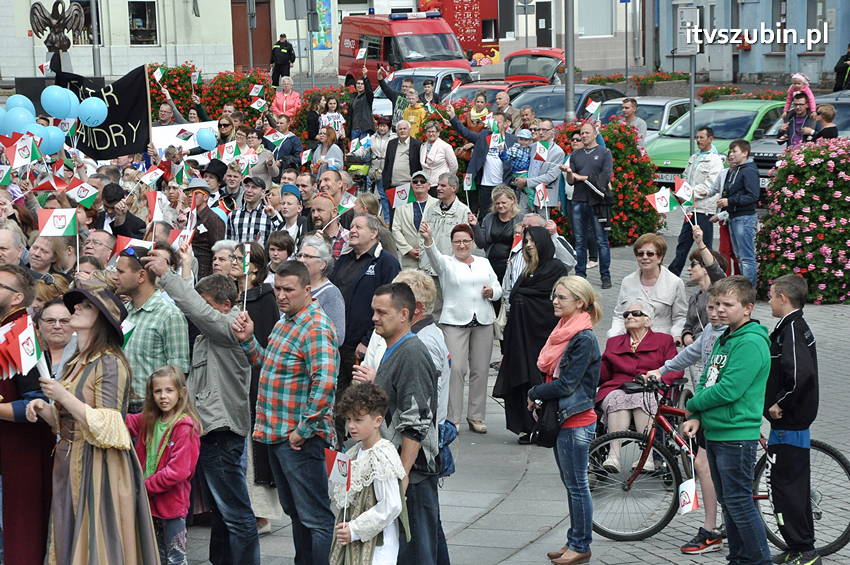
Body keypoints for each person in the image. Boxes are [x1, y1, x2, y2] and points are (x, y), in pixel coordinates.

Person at [28, 279, 159, 564]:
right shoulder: (78, 360)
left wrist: (63, 394)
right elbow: (67, 421)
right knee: (68, 531)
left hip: (100, 466)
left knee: (98, 540)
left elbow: (112, 425)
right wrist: (43, 408)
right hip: (70, 459)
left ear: (100, 318)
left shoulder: (110, 362)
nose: (76, 308)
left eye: (86, 306)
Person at [144, 253, 260, 565]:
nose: (200, 310)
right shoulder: (215, 332)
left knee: (236, 514)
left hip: (221, 432)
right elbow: (195, 304)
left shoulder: (230, 325)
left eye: (206, 303)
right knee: (224, 513)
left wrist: (166, 274)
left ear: (224, 305)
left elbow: (194, 308)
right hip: (211, 430)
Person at [232, 261, 339, 565]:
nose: (280, 295)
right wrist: (249, 341)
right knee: (297, 514)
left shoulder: (315, 326)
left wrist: (302, 431)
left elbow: (326, 383)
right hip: (279, 436)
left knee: (315, 518)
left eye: (288, 289)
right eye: (277, 288)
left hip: (299, 440)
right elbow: (269, 366)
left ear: (308, 289)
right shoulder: (285, 322)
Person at [682, 276, 772, 565]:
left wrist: (693, 404)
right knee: (729, 504)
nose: (719, 309)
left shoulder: (750, 343)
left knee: (739, 503)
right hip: (717, 431)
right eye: (716, 303)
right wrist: (697, 415)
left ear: (747, 308)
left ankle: (759, 560)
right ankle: (740, 558)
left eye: (727, 304)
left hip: (736, 434)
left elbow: (729, 389)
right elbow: (709, 378)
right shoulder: (725, 337)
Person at [350, 283, 440, 564]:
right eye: (373, 311)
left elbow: (416, 420)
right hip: (397, 468)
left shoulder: (412, 352)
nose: (375, 318)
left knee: (417, 546)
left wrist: (403, 473)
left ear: (404, 314)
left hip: (412, 471)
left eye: (381, 312)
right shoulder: (393, 348)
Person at [528, 276, 602, 565]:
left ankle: (581, 544)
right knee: (572, 483)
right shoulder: (565, 329)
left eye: (562, 298)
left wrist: (536, 392)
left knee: (577, 485)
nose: (555, 302)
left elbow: (567, 384)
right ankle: (575, 539)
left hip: (576, 419)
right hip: (565, 417)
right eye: (555, 296)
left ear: (580, 303)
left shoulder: (582, 337)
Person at [646, 295, 727, 555]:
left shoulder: (731, 336)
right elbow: (690, 355)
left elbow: (721, 381)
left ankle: (713, 529)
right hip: (708, 407)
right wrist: (661, 370)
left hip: (718, 411)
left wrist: (696, 407)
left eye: (719, 308)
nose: (713, 313)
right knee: (706, 465)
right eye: (710, 308)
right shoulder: (711, 332)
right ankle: (715, 527)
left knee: (709, 466)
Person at [422, 222, 500, 433]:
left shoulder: (484, 262)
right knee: (456, 369)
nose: (462, 245)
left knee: (480, 370)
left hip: (482, 320)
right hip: (455, 321)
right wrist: (428, 240)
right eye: (458, 241)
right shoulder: (446, 263)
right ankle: (452, 417)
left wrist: (492, 292)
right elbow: (434, 257)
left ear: (473, 242)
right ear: (452, 244)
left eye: (466, 241)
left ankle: (476, 416)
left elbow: (499, 287)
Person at [493, 226, 569, 443]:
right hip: (520, 338)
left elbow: (553, 302)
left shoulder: (555, 269)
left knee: (540, 379)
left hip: (542, 337)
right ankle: (528, 426)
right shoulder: (527, 270)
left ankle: (545, 424)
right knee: (521, 380)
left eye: (532, 241)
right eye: (525, 241)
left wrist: (525, 301)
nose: (528, 245)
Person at [0, 265, 55, 565]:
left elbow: (36, 403)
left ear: (17, 298)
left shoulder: (22, 337)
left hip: (15, 457)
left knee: (11, 540)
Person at [765, 275, 820, 565]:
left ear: (784, 297)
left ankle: (805, 550)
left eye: (772, 296)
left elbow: (800, 375)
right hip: (788, 424)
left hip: (790, 422)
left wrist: (778, 403)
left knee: (788, 487)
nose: (769, 300)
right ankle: (796, 545)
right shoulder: (789, 326)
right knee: (785, 486)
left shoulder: (793, 329)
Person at [330, 215, 401, 440]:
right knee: (337, 401)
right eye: (351, 226)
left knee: (357, 402)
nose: (352, 230)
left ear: (373, 233)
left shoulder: (386, 262)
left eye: (358, 227)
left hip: (362, 347)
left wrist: (368, 339)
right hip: (338, 343)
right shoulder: (343, 260)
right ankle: (337, 448)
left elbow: (390, 305)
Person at [125, 365, 202, 565]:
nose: (163, 396)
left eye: (169, 390)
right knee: (154, 557)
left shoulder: (185, 426)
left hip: (172, 505)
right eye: (158, 391)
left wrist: (144, 487)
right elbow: (124, 422)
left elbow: (178, 471)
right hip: (149, 504)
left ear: (181, 392)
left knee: (175, 559)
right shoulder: (150, 419)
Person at [596, 299, 683, 472]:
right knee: (616, 398)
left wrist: (660, 379)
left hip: (650, 387)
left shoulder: (663, 340)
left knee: (644, 398)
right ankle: (613, 456)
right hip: (619, 387)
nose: (630, 316)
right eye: (626, 314)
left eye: (636, 313)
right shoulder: (614, 342)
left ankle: (648, 458)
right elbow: (603, 373)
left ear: (648, 319)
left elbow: (676, 369)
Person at [234, 242, 284, 534]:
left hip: (257, 378)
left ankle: (261, 514)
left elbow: (265, 341)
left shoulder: (264, 298)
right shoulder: (236, 297)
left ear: (252, 266)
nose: (228, 262)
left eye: (236, 258)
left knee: (256, 449)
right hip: (238, 380)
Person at [328, 383, 406, 565]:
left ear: (378, 421)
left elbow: (391, 504)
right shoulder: (352, 453)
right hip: (349, 536)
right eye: (348, 419)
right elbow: (339, 497)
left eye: (358, 420)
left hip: (377, 545)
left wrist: (355, 529)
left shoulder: (382, 455)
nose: (351, 426)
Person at [116, 246, 190, 410]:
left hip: (151, 408)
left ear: (141, 276)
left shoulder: (170, 315)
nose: (115, 277)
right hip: (120, 405)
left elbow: (178, 373)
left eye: (120, 272)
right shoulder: (123, 311)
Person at [668, 126, 725, 276]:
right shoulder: (694, 157)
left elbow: (710, 186)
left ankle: (709, 275)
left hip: (704, 210)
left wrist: (688, 194)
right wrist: (679, 193)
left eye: (702, 137)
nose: (698, 140)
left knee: (704, 246)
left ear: (710, 139)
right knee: (683, 244)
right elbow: (686, 177)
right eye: (697, 137)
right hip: (690, 209)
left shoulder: (715, 160)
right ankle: (672, 274)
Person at [609, 233, 688, 342]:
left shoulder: (675, 283)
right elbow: (619, 315)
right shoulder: (627, 281)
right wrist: (614, 336)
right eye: (640, 254)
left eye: (650, 254)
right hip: (631, 341)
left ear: (660, 257)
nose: (644, 257)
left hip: (661, 342)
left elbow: (680, 317)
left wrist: (676, 335)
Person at [564, 121, 613, 288]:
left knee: (601, 240)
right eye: (581, 133)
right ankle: (580, 275)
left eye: (586, 133)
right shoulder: (575, 155)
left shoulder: (604, 153)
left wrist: (581, 177)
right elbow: (571, 182)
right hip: (578, 201)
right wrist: (570, 174)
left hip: (597, 203)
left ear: (594, 134)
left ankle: (605, 276)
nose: (583, 136)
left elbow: (605, 177)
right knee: (579, 240)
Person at [446, 105, 515, 216]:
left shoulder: (512, 140)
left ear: (507, 124)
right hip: (485, 185)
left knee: (503, 214)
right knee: (485, 215)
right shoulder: (484, 136)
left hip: (503, 185)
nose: (494, 124)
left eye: (498, 122)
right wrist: (453, 117)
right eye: (493, 122)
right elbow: (466, 133)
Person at [717, 139, 760, 287]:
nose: (731, 154)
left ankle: (749, 289)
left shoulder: (749, 170)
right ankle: (743, 288)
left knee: (747, 257)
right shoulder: (736, 170)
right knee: (740, 256)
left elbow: (753, 195)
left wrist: (730, 201)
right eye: (730, 151)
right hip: (734, 217)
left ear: (745, 153)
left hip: (744, 218)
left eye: (735, 151)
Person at [469, 185, 522, 298]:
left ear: (512, 200)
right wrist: (475, 226)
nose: (500, 206)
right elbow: (481, 243)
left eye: (503, 202)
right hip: (492, 262)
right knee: (493, 295)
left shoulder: (520, 219)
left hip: (511, 265)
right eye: (497, 203)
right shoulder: (489, 218)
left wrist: (520, 233)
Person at [296, 233, 346, 343]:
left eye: (307, 256)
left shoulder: (331, 294)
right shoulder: (295, 287)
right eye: (300, 255)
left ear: (323, 264)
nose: (301, 260)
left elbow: (338, 337)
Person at [349, 115, 396, 223]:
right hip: (376, 169)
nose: (382, 128)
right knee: (382, 195)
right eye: (380, 126)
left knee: (390, 195)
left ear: (388, 127)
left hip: (390, 168)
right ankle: (387, 220)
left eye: (384, 126)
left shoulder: (393, 137)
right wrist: (353, 154)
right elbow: (363, 149)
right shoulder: (372, 138)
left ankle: (392, 219)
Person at [515, 119, 564, 212]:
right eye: (539, 129)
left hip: (542, 192)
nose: (541, 133)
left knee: (541, 223)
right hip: (525, 192)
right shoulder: (532, 147)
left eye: (544, 130)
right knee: (521, 222)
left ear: (552, 131)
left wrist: (527, 181)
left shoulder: (558, 152)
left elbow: (550, 177)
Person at [392, 171, 438, 270]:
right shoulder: (401, 205)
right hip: (409, 260)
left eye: (422, 181)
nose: (419, 183)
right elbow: (395, 229)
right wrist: (408, 250)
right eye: (415, 181)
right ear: (411, 185)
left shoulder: (437, 204)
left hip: (431, 259)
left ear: (429, 185)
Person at [225, 176, 285, 247]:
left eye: (254, 187)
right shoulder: (233, 215)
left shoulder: (270, 213)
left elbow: (282, 236)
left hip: (261, 257)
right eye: (247, 186)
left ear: (263, 192)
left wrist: (273, 216)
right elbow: (228, 243)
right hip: (239, 257)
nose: (249, 190)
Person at [185, 178, 227, 278]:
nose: (190, 195)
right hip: (188, 268)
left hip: (204, 272)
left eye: (195, 192)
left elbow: (218, 249)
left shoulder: (213, 219)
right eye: (188, 192)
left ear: (205, 197)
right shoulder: (188, 217)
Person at [381, 120, 423, 221]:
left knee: (407, 216)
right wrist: (385, 181)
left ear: (409, 130)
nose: (402, 131)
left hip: (408, 186)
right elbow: (387, 163)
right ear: (396, 131)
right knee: (393, 216)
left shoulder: (417, 144)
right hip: (393, 185)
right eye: (400, 129)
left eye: (405, 128)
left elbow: (419, 165)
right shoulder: (391, 144)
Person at [36, 297, 76, 378]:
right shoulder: (27, 353)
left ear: (74, 325)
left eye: (64, 321)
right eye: (50, 321)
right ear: (39, 324)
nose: (57, 326)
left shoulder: (84, 355)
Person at [420, 121, 458, 188]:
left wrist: (446, 182)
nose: (431, 134)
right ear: (426, 133)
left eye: (433, 131)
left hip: (440, 184)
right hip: (425, 184)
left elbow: (454, 167)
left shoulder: (445, 146)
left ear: (438, 133)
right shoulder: (423, 146)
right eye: (429, 131)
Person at [348, 65, 375, 140]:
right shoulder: (353, 97)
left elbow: (369, 91)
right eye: (358, 83)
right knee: (354, 151)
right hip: (354, 129)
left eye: (362, 84)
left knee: (364, 150)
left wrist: (365, 77)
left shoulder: (367, 96)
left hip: (365, 129)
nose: (360, 85)